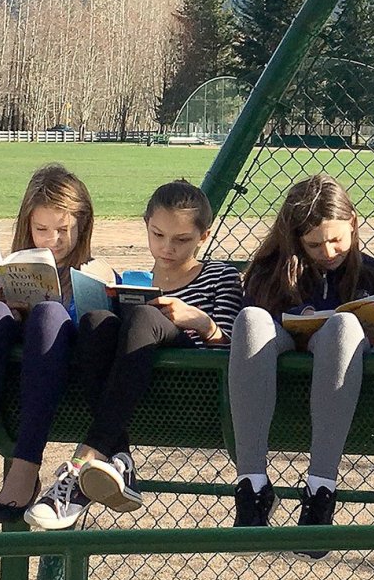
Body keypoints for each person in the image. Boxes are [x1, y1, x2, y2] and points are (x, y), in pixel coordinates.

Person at [24, 180, 242, 530]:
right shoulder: (134, 279)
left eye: (181, 239)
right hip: (137, 390)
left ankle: (84, 462)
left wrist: (201, 322)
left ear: (203, 236)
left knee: (143, 316)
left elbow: (234, 350)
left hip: (194, 387)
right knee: (96, 320)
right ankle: (119, 459)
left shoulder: (221, 276)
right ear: (146, 226)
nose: (167, 247)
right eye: (158, 235)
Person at [227, 174, 374, 559]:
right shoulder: (270, 272)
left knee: (343, 325)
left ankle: (321, 490)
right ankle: (251, 486)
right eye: (313, 244)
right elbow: (255, 324)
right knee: (251, 319)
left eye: (336, 239)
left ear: (353, 224)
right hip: (281, 351)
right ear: (294, 239)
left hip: (343, 374)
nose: (327, 251)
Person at [0, 163, 115, 524]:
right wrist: (8, 307)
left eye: (63, 230)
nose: (52, 240)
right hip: (14, 375)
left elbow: (97, 332)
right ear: (27, 226)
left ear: (82, 225)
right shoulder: (19, 265)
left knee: (48, 314)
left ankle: (26, 465)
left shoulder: (95, 269)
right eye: (41, 229)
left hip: (64, 376)